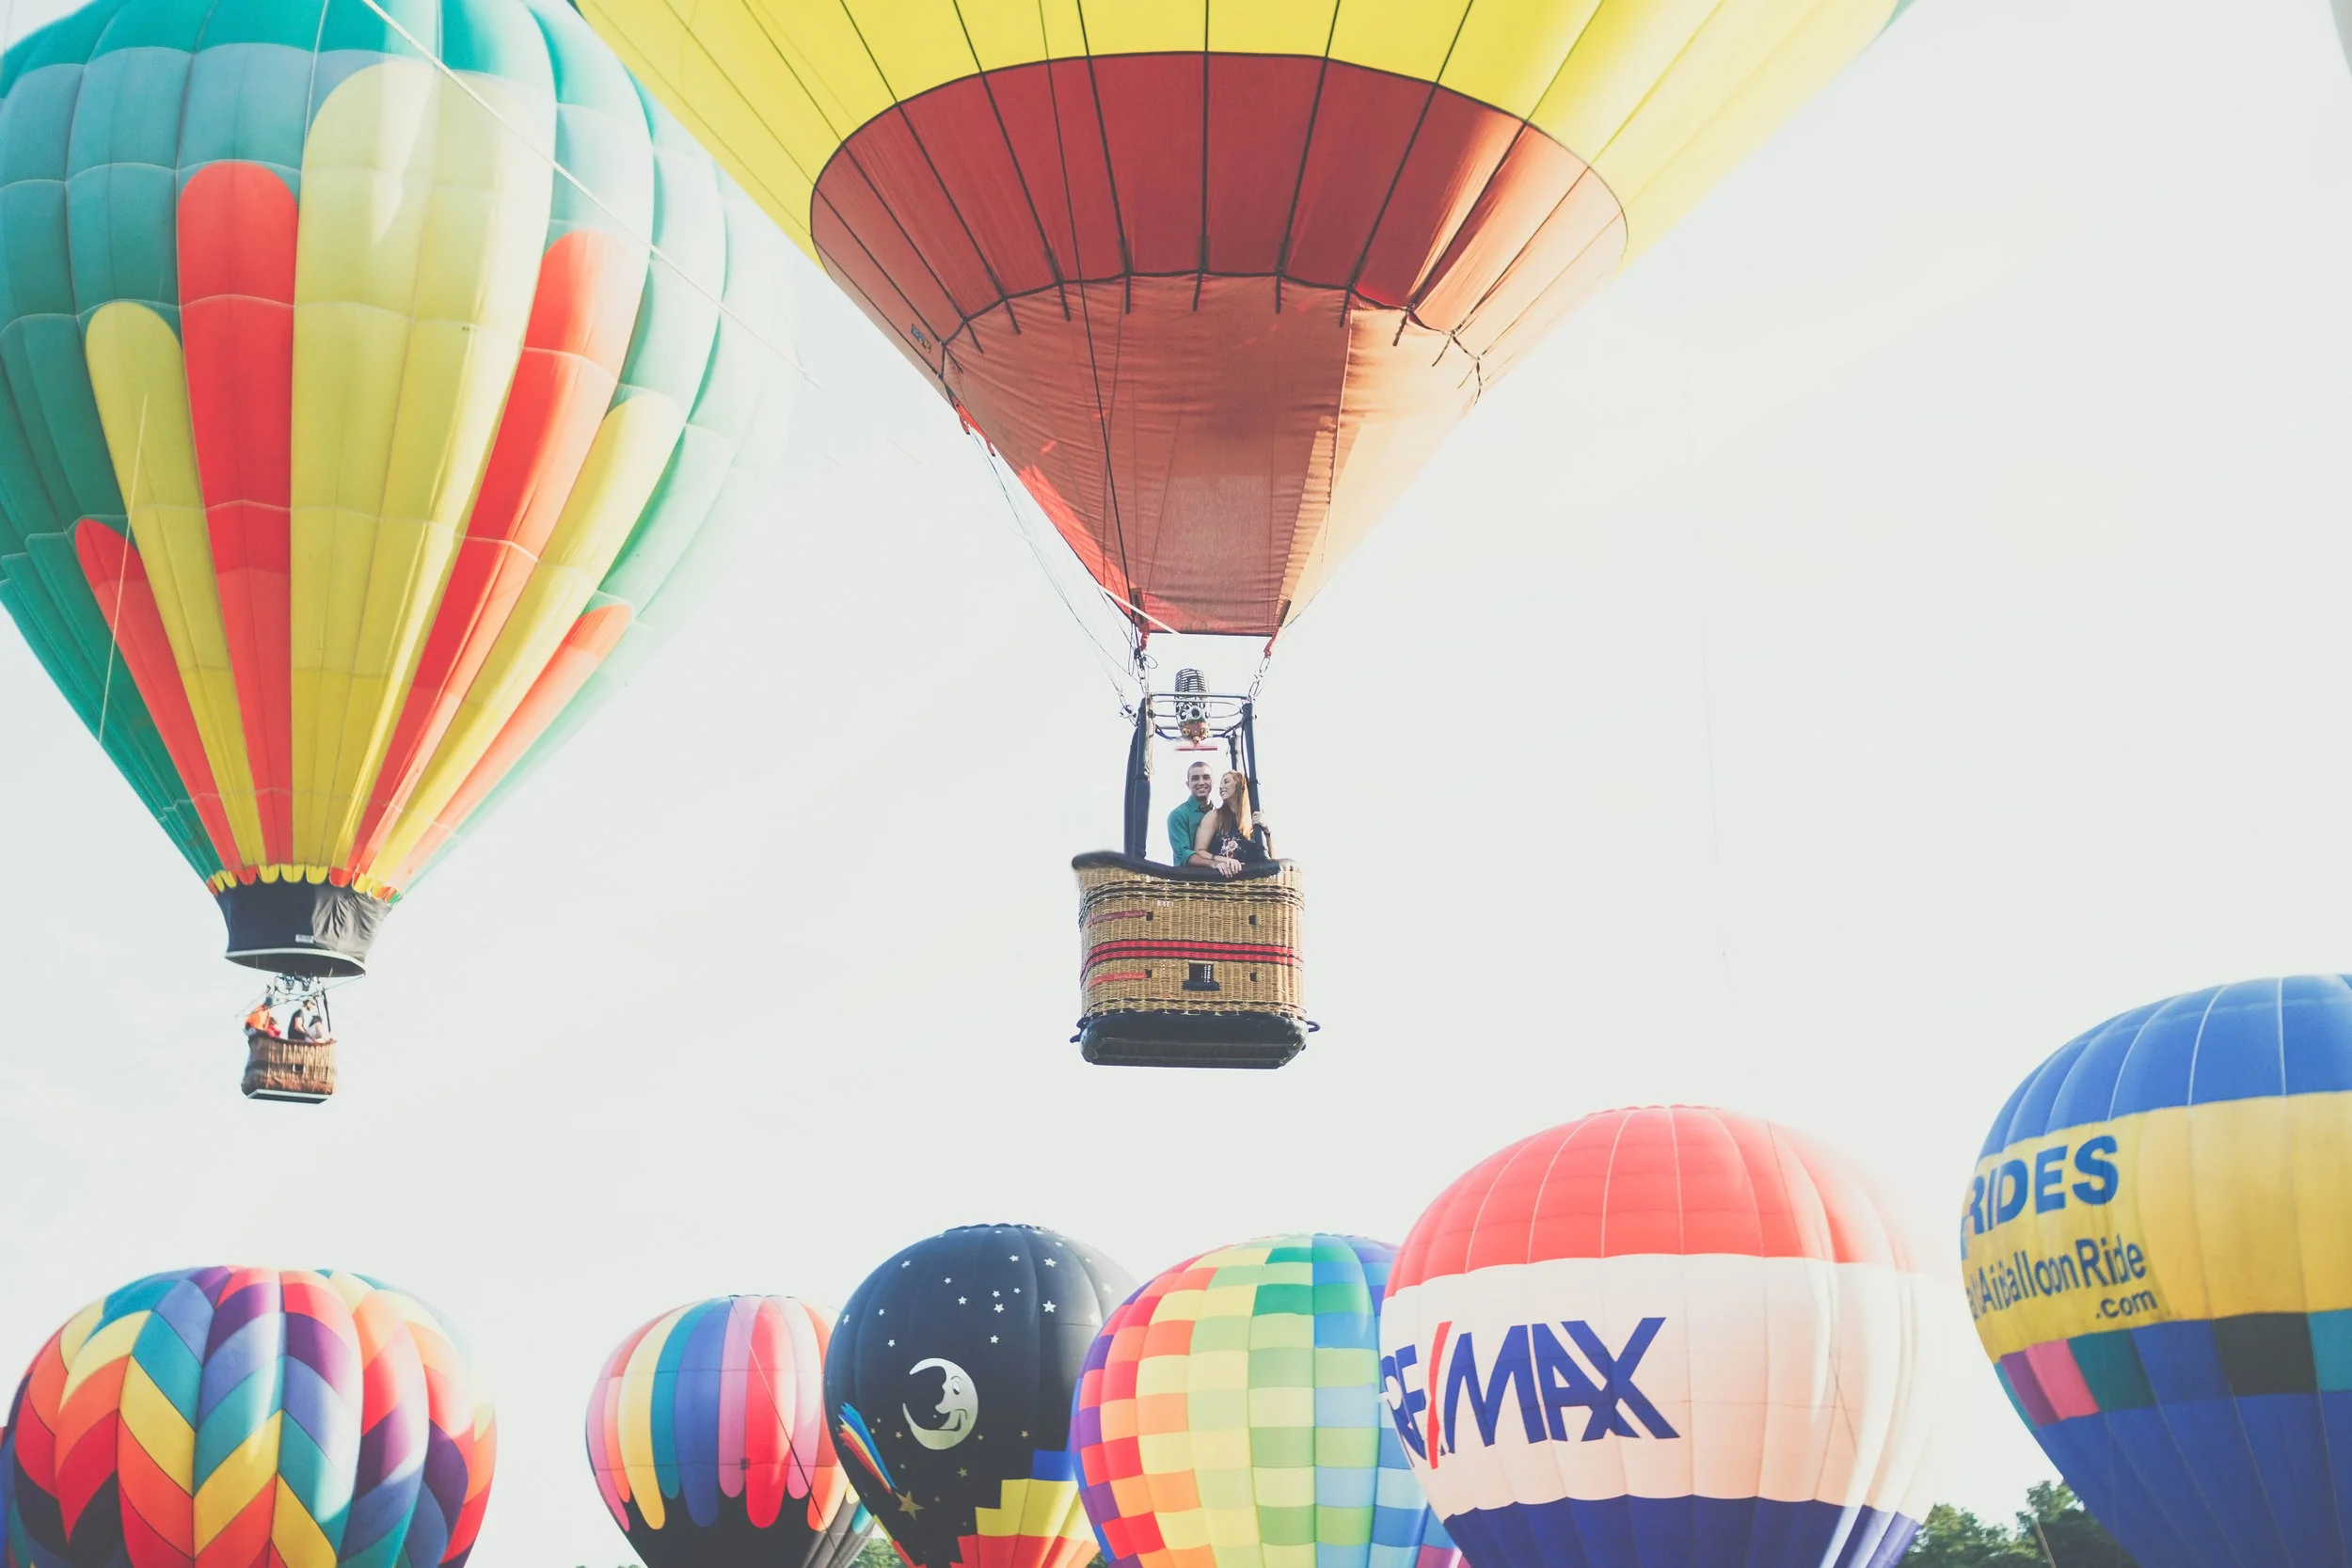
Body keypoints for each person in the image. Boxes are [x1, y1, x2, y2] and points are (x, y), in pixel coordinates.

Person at [1191, 770, 1272, 878]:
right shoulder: (1215, 816)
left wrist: (1268, 832)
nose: (1221, 787)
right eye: (1220, 783)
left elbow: (1271, 860)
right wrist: (1223, 861)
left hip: (1252, 886)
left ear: (1239, 785)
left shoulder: (1255, 817)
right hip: (1224, 883)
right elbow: (1199, 851)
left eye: (1226, 782)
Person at [1167, 759, 1216, 865]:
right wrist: (1214, 864)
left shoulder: (1221, 815)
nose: (1201, 782)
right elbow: (1184, 855)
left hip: (1220, 879)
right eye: (1195, 778)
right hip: (1188, 880)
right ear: (1188, 784)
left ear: (1213, 782)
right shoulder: (1178, 815)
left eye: (1206, 777)